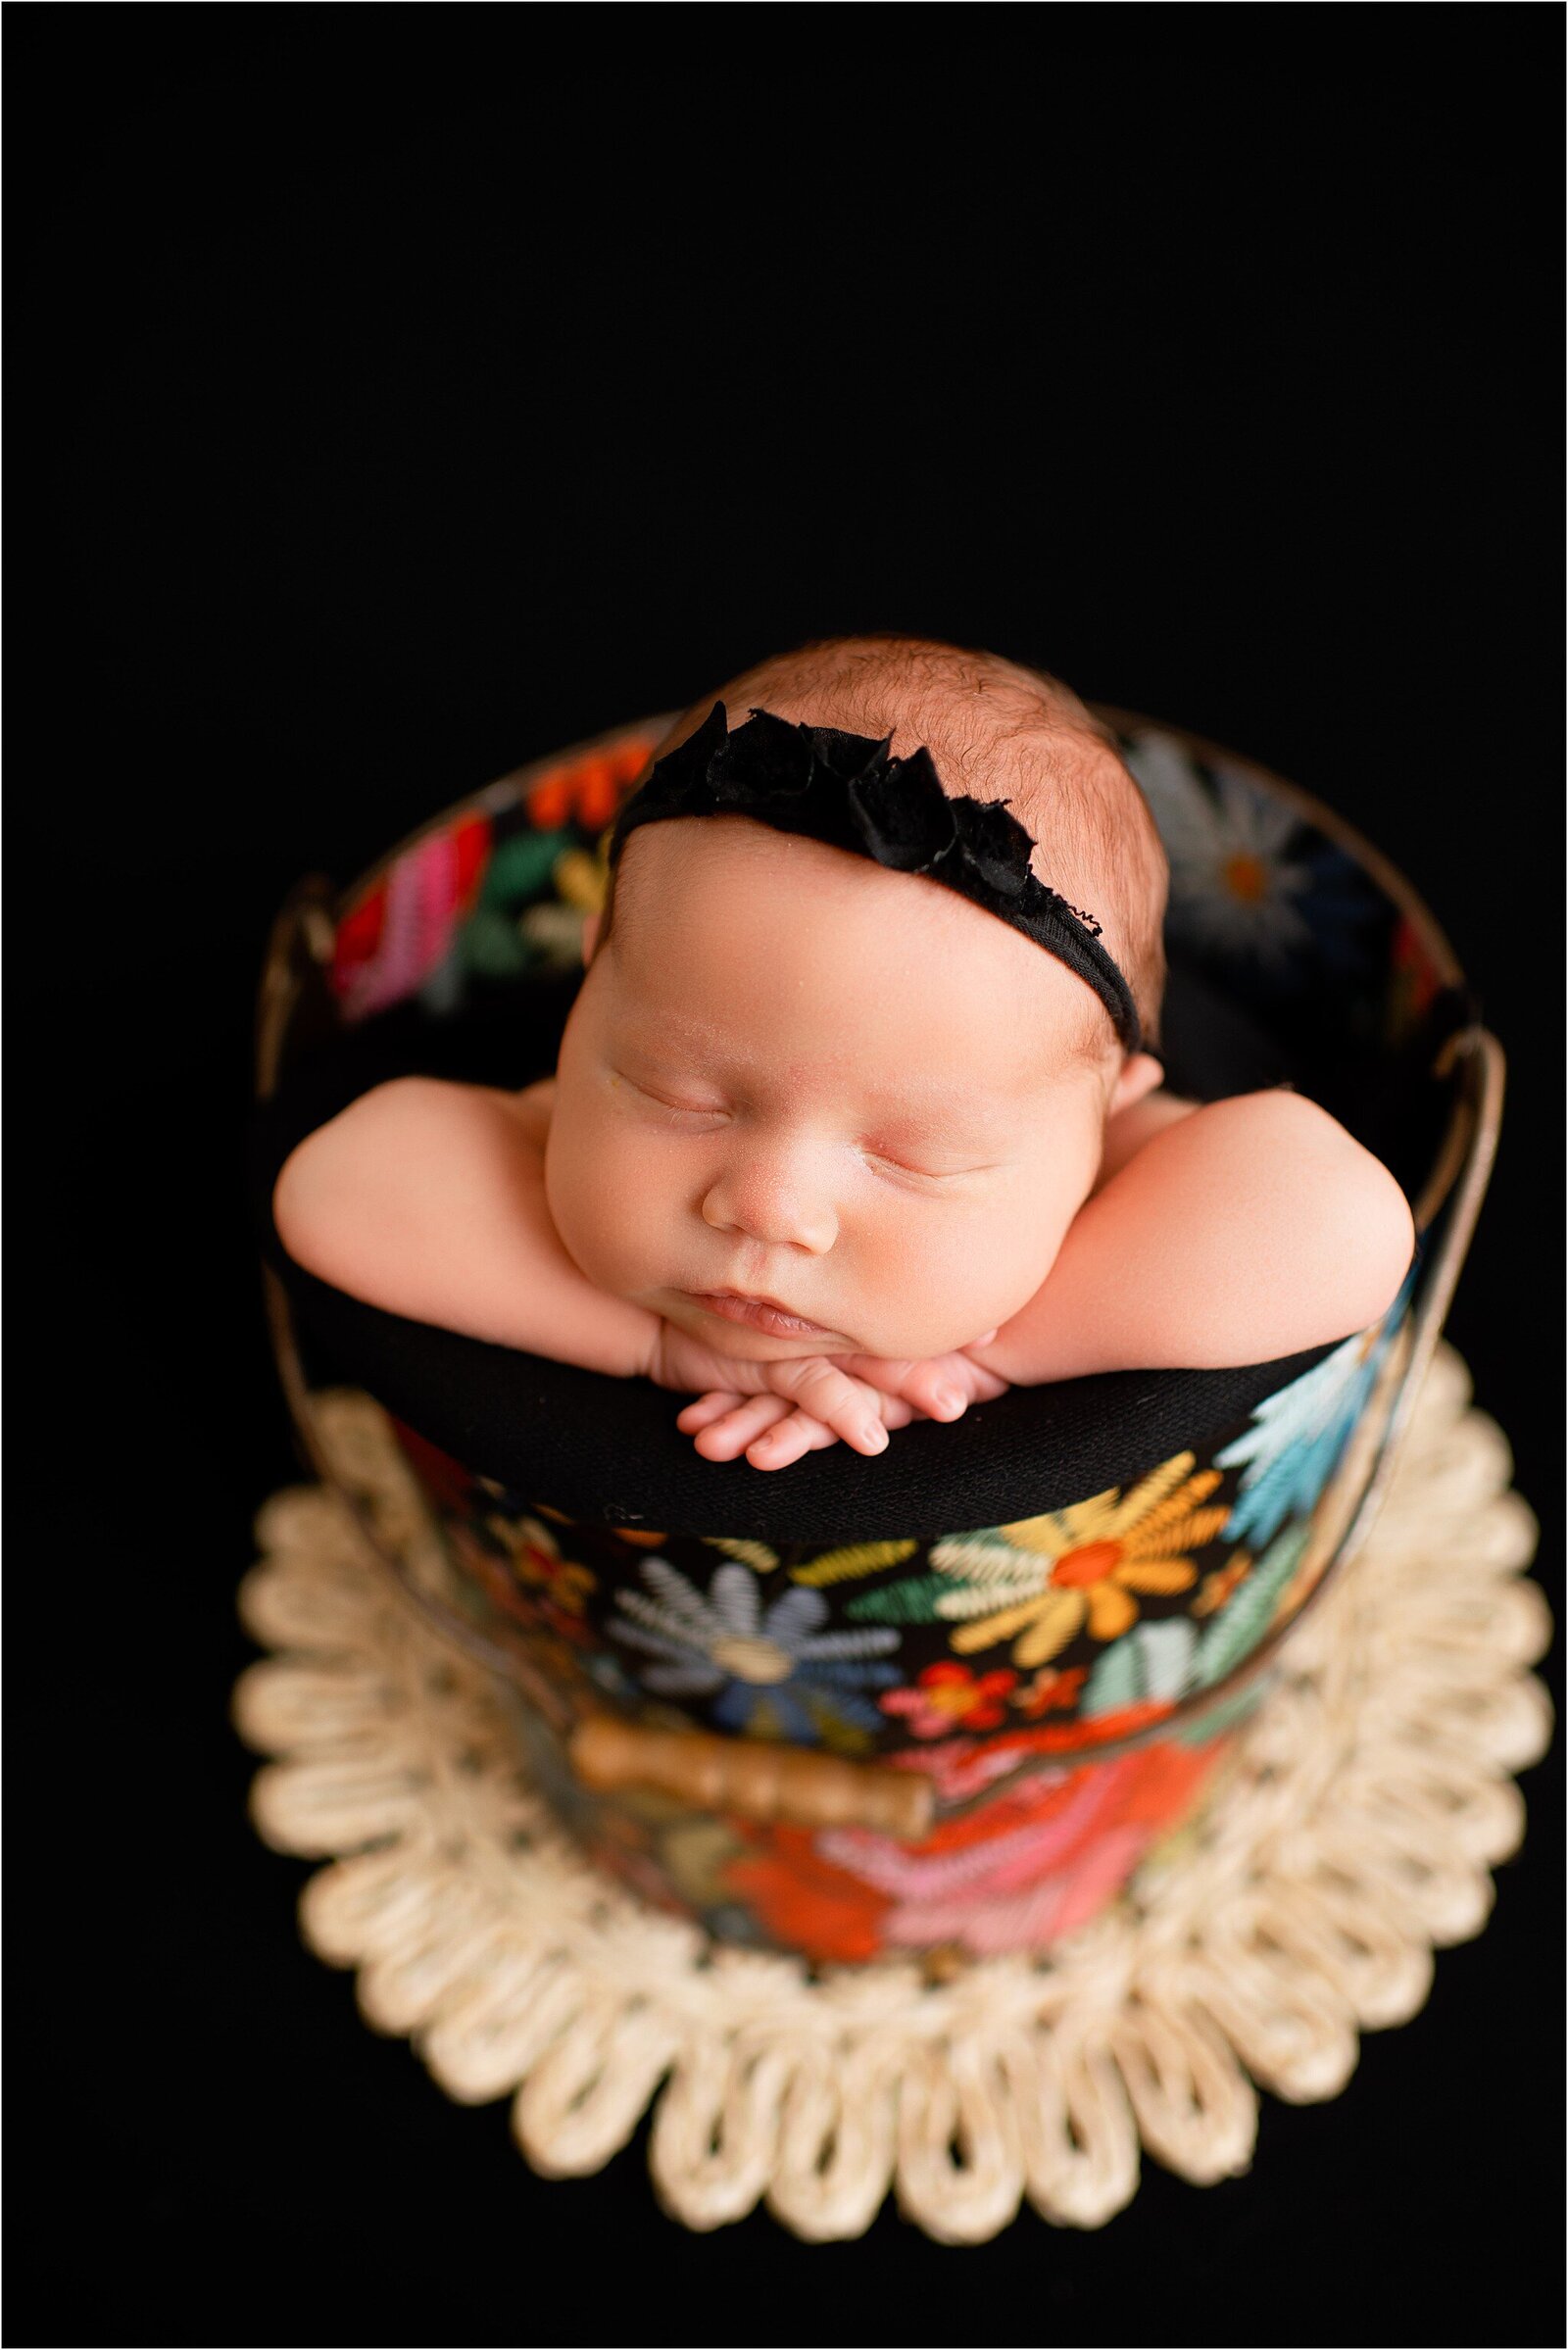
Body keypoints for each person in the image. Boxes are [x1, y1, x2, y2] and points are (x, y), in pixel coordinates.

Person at [273, 635, 1415, 1472]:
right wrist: (657, 1346)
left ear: (1107, 1112)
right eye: (678, 1092)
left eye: (912, 1156)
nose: (768, 1208)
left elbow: (1343, 1222)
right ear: (591, 985)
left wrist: (987, 1348)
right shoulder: (540, 1133)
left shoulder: (1128, 1180)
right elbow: (339, 1186)